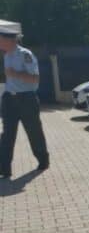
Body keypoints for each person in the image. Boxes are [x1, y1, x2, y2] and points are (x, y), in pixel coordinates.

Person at [0, 22, 49, 178]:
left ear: (9, 39)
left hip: (26, 99)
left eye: (0, 39)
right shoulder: (6, 55)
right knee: (7, 135)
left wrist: (15, 74)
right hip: (9, 98)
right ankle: (4, 169)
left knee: (34, 132)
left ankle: (43, 160)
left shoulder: (25, 54)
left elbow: (35, 79)